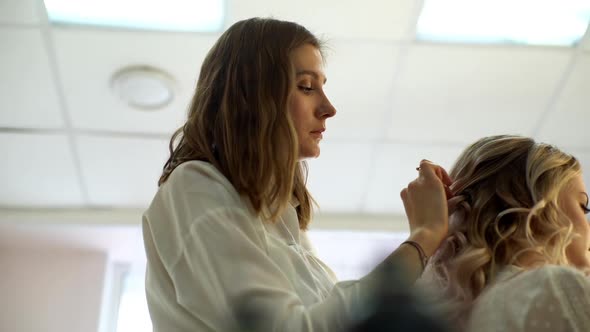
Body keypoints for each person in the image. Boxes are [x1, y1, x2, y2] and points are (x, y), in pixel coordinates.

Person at [142, 17, 452, 331]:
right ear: (252, 96)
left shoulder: (282, 221)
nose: (329, 108)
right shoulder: (194, 187)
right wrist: (422, 238)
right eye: (306, 87)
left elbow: (339, 316)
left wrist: (426, 246)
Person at [415, 135, 590, 331]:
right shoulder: (555, 287)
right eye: (583, 207)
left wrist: (422, 236)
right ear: (538, 212)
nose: (588, 224)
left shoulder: (435, 312)